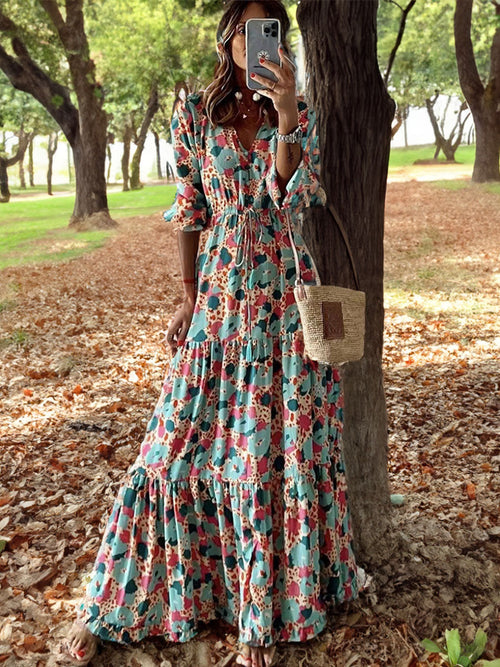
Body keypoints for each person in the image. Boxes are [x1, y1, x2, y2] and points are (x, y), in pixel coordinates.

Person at [63, 2, 364, 666]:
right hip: (220, 302)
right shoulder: (195, 115)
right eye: (246, 34)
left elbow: (292, 197)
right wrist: (186, 295)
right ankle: (110, 602)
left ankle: (261, 618)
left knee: (270, 455)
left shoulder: (300, 113)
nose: (257, 46)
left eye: (268, 33)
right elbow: (190, 209)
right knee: (169, 448)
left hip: (286, 300)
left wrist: (286, 115)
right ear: (227, 41)